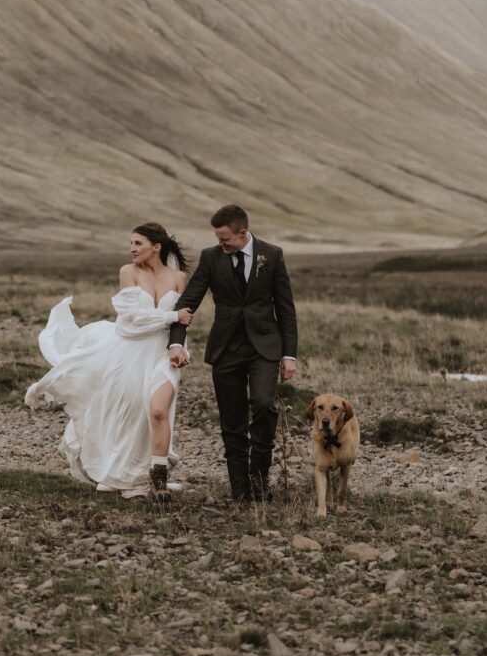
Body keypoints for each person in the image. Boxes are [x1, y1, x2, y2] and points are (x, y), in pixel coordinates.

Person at [25, 224, 193, 500]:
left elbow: (183, 323)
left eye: (138, 243)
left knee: (159, 411)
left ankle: (159, 477)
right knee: (130, 414)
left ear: (156, 247)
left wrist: (179, 346)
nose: (132, 248)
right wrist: (170, 318)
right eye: (131, 243)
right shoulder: (128, 272)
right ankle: (128, 472)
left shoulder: (178, 278)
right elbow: (128, 322)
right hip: (130, 352)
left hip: (164, 354)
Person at [168, 204, 297, 503]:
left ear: (242, 233)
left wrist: (289, 353)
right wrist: (176, 341)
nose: (220, 243)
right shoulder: (211, 257)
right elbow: (189, 301)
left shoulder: (272, 254)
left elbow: (286, 308)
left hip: (265, 346)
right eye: (217, 238)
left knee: (264, 405)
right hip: (226, 348)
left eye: (225, 238)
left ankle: (259, 481)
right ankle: (240, 490)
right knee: (232, 418)